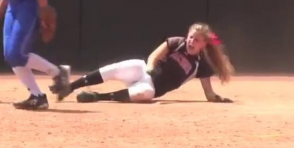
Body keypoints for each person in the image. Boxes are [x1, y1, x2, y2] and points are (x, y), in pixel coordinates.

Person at [57, 23, 235, 103]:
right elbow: (153, 56)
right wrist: (150, 68)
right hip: (144, 71)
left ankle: (96, 97)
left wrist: (218, 98)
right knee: (128, 65)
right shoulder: (176, 42)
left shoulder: (200, 65)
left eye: (197, 40)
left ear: (204, 44)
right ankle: (71, 86)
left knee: (145, 92)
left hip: (152, 87)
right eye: (191, 37)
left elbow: (209, 93)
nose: (191, 42)